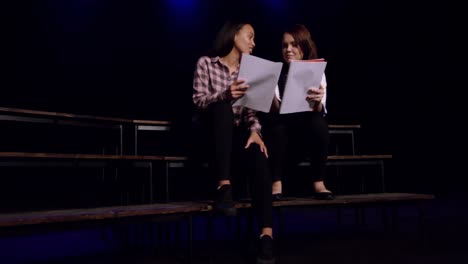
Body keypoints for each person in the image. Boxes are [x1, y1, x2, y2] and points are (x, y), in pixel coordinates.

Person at [192, 20, 275, 263]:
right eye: (250, 36)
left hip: (236, 139)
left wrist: (255, 131)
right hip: (210, 138)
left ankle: (266, 236)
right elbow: (198, 101)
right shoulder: (206, 63)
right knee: (222, 109)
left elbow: (250, 113)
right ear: (234, 35)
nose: (253, 43)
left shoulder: (247, 72)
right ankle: (223, 185)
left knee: (259, 152)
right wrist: (226, 94)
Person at [260, 24, 334, 201]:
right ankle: (276, 182)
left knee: (319, 123)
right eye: (285, 45)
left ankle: (319, 182)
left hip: (305, 135)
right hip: (283, 136)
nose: (288, 49)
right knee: (277, 125)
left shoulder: (316, 71)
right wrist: (269, 95)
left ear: (304, 45)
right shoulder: (276, 73)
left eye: (294, 45)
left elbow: (319, 110)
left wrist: (317, 99)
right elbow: (275, 111)